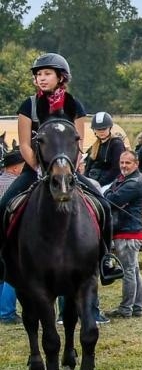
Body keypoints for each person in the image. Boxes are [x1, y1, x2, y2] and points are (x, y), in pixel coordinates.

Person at [0, 53, 122, 285]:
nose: (42, 78)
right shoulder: (29, 105)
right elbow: (25, 143)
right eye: (38, 75)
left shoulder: (74, 105)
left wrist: (68, 169)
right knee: (3, 206)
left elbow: (78, 143)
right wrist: (37, 167)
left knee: (103, 205)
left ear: (60, 77)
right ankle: (3, 260)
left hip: (67, 170)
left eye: (47, 74)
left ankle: (105, 259)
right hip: (35, 169)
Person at [104, 150, 142, 318]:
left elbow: (111, 200)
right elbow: (109, 193)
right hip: (127, 230)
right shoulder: (124, 179)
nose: (123, 166)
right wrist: (110, 193)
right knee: (134, 270)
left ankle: (126, 309)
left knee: (128, 270)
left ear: (136, 164)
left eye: (127, 163)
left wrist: (110, 194)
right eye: (122, 162)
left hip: (128, 231)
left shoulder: (134, 182)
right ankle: (137, 307)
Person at [0, 148, 23, 322]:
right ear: (15, 168)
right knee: (13, 271)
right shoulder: (15, 186)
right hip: (10, 234)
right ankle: (6, 312)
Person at [83, 112, 126, 188]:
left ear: (110, 128)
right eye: (98, 129)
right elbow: (88, 167)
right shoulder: (95, 146)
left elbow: (116, 168)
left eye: (104, 128)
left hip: (109, 181)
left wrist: (100, 183)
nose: (101, 131)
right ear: (94, 130)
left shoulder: (117, 144)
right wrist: (85, 180)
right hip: (93, 180)